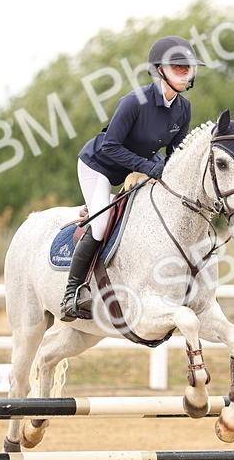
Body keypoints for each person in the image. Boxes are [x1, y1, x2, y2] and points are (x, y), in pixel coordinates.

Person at [62, 35, 206, 321]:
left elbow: (175, 155)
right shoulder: (134, 102)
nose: (184, 72)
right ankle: (72, 293)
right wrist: (148, 167)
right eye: (177, 67)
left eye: (187, 68)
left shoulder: (183, 109)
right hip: (99, 166)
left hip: (136, 168)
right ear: (160, 70)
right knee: (100, 224)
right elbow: (110, 146)